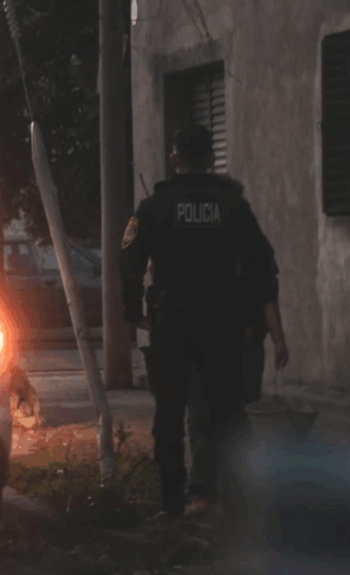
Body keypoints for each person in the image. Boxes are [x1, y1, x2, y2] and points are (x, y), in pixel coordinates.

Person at [120, 124, 278, 519]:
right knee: (227, 411)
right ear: (211, 159)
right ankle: (238, 501)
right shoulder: (232, 205)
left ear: (174, 159)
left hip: (170, 326)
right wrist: (258, 319)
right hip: (221, 326)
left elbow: (129, 264)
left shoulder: (154, 206)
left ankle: (174, 504)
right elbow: (263, 264)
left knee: (170, 415)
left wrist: (131, 312)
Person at [185, 244, 289, 515]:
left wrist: (279, 340)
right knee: (202, 418)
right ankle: (203, 492)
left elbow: (268, 300)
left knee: (239, 419)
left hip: (246, 351)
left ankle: (238, 492)